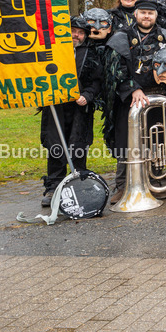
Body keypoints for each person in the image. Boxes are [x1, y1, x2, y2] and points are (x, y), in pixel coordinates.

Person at [102, 0, 166, 203]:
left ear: (156, 16)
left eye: (151, 13)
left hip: (160, 97)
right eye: (143, 13)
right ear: (136, 14)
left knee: (158, 140)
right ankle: (122, 186)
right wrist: (133, 89)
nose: (147, 16)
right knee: (126, 142)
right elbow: (113, 71)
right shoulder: (120, 38)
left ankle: (156, 181)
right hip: (130, 99)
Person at [38, 16, 102, 206]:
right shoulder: (51, 51)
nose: (76, 35)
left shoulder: (91, 54)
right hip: (55, 108)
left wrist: (88, 96)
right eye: (73, 31)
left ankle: (78, 185)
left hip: (79, 109)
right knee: (55, 146)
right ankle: (53, 187)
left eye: (81, 33)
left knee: (79, 146)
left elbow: (97, 82)